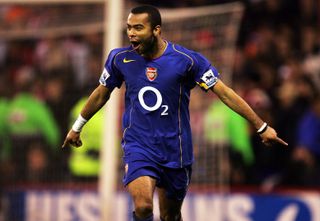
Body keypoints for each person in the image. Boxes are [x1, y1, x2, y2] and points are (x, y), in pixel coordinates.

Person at [62, 5, 287, 221]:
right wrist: (77, 127)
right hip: (139, 146)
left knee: (170, 216)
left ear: (156, 30)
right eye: (129, 27)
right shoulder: (120, 59)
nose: (131, 33)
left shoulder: (187, 60)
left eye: (138, 28)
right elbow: (101, 93)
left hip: (175, 151)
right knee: (143, 207)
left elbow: (225, 93)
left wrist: (261, 127)